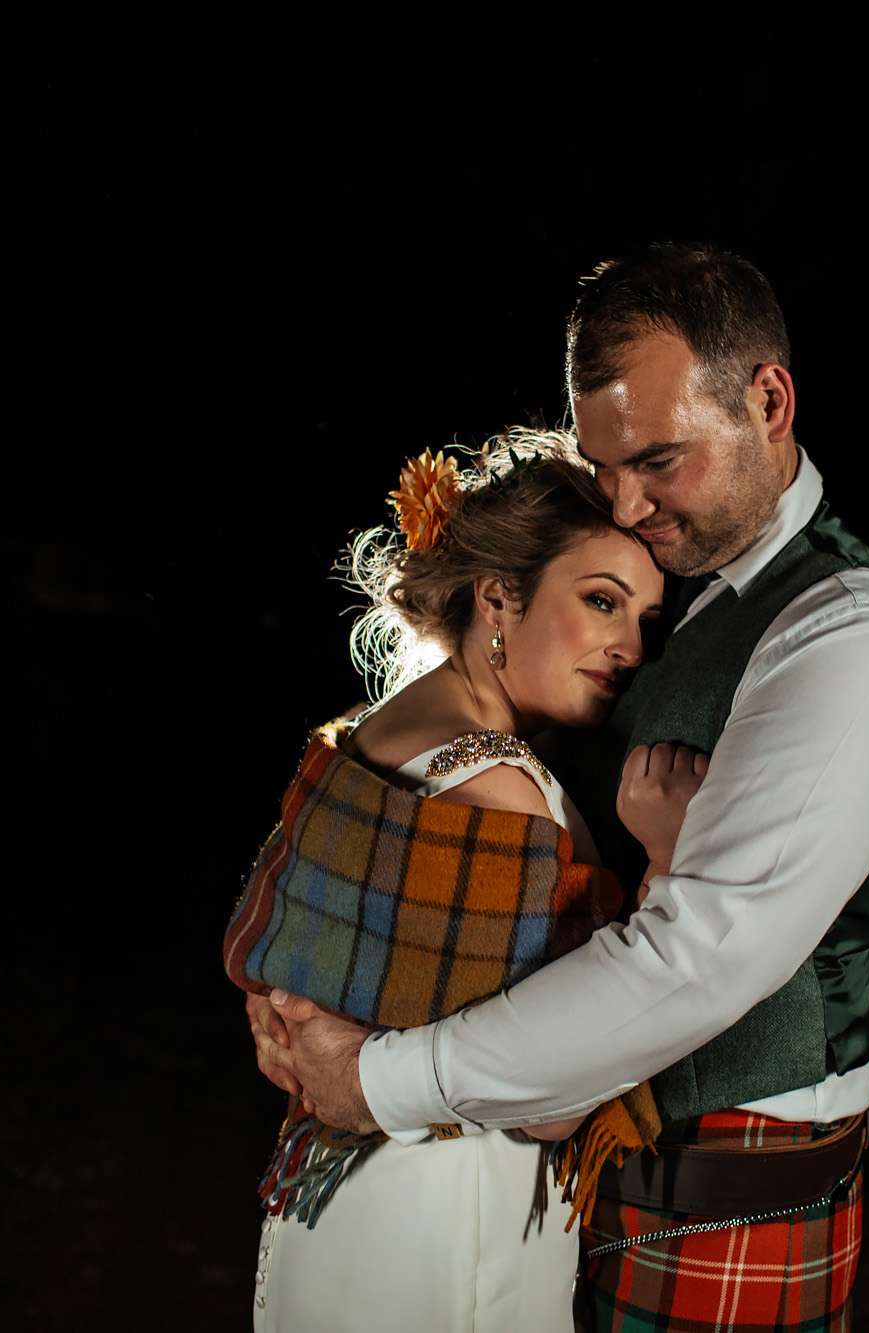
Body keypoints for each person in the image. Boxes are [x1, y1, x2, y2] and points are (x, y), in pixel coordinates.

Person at [258, 243, 869, 1330]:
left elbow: (700, 956)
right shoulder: (658, 575)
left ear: (767, 400)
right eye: (603, 464)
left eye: (658, 461)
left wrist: (377, 1079)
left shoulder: (849, 637)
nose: (623, 504)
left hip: (721, 1197)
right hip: (546, 1161)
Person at [229, 434, 705, 1331]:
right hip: (451, 1223)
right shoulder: (500, 791)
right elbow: (559, 1097)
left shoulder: (375, 731)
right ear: (499, 597)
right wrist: (670, 866)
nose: (631, 647)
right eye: (601, 601)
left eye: (645, 619)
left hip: (330, 1198)